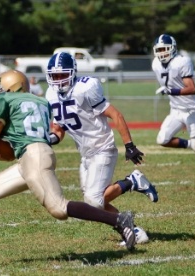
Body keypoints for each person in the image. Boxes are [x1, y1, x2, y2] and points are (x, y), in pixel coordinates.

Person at [0, 69, 136, 264]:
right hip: (34, 155)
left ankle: (118, 220)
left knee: (59, 209)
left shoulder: (4, 101)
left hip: (34, 157)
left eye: (2, 89)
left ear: (12, 86)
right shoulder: (40, 102)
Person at [45, 52, 159, 246]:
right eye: (54, 76)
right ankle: (132, 227)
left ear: (72, 72)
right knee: (96, 202)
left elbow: (116, 115)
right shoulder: (50, 94)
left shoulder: (85, 88)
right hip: (86, 154)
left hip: (102, 148)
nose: (58, 80)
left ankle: (132, 187)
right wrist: (51, 138)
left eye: (62, 74)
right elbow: (59, 128)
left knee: (93, 201)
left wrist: (130, 146)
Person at [152, 34, 195, 161]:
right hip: (176, 110)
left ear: (172, 48)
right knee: (162, 139)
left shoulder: (182, 61)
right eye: (159, 50)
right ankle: (191, 145)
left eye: (164, 49)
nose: (162, 53)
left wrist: (172, 91)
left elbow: (192, 89)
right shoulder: (156, 64)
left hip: (192, 109)